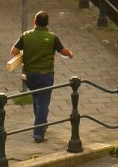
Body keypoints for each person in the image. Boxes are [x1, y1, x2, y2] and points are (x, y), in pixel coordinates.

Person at [11, 10, 75, 143]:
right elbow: (63, 51)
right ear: (47, 23)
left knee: (36, 99)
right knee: (43, 103)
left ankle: (42, 123)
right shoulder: (52, 38)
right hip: (45, 76)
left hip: (30, 76)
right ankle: (38, 133)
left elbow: (14, 51)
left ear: (34, 21)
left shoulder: (25, 36)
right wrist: (70, 54)